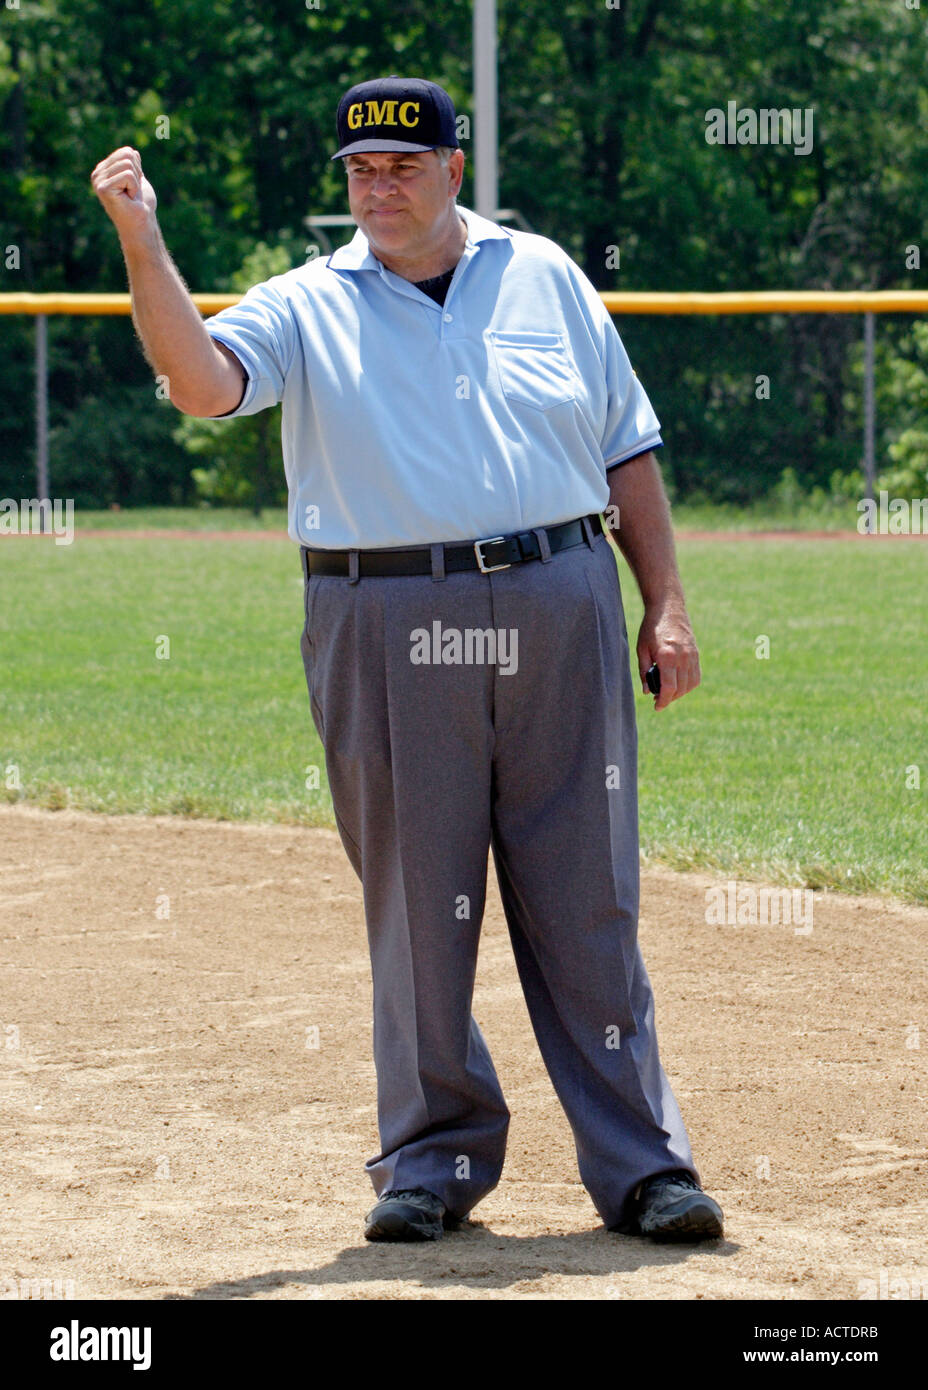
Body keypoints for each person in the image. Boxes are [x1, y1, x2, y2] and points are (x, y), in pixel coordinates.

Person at [91, 74, 724, 1245]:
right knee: (416, 900)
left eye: (402, 166)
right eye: (359, 172)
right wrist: (145, 239)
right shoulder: (304, 301)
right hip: (384, 613)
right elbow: (197, 383)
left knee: (590, 891)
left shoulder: (543, 275)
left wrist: (666, 603)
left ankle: (644, 1165)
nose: (379, 189)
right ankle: (431, 1160)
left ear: (453, 170)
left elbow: (625, 447)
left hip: (559, 593)